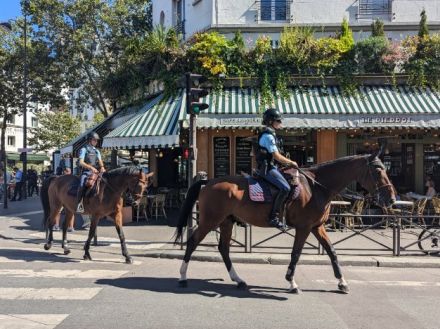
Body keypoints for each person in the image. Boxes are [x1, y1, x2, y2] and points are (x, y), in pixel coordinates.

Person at [256, 108, 298, 229]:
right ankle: (273, 217)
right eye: (278, 120)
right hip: (267, 169)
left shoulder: (271, 134)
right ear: (270, 122)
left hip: (272, 167)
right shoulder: (268, 136)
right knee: (285, 188)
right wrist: (291, 162)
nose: (280, 123)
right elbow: (276, 156)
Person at [76, 132, 106, 213]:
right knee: (82, 185)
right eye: (94, 140)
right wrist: (91, 168)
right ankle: (79, 205)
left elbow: (100, 161)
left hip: (96, 172)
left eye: (97, 140)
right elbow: (81, 162)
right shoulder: (83, 149)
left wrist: (102, 167)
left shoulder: (97, 151)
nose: (96, 142)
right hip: (86, 172)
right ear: (89, 140)